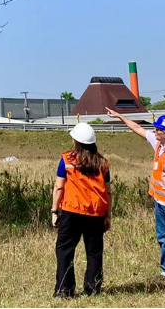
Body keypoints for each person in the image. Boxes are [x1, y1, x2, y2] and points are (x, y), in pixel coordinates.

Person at [105, 107, 165, 282]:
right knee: (163, 237)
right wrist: (120, 116)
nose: (154, 131)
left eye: (158, 129)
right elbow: (138, 129)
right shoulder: (159, 144)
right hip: (159, 200)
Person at [51, 122, 112, 298]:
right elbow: (107, 191)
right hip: (96, 212)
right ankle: (93, 288)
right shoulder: (103, 163)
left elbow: (59, 187)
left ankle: (64, 289)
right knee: (94, 251)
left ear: (75, 141)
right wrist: (108, 215)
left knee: (64, 250)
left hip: (72, 211)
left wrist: (55, 211)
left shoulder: (67, 159)